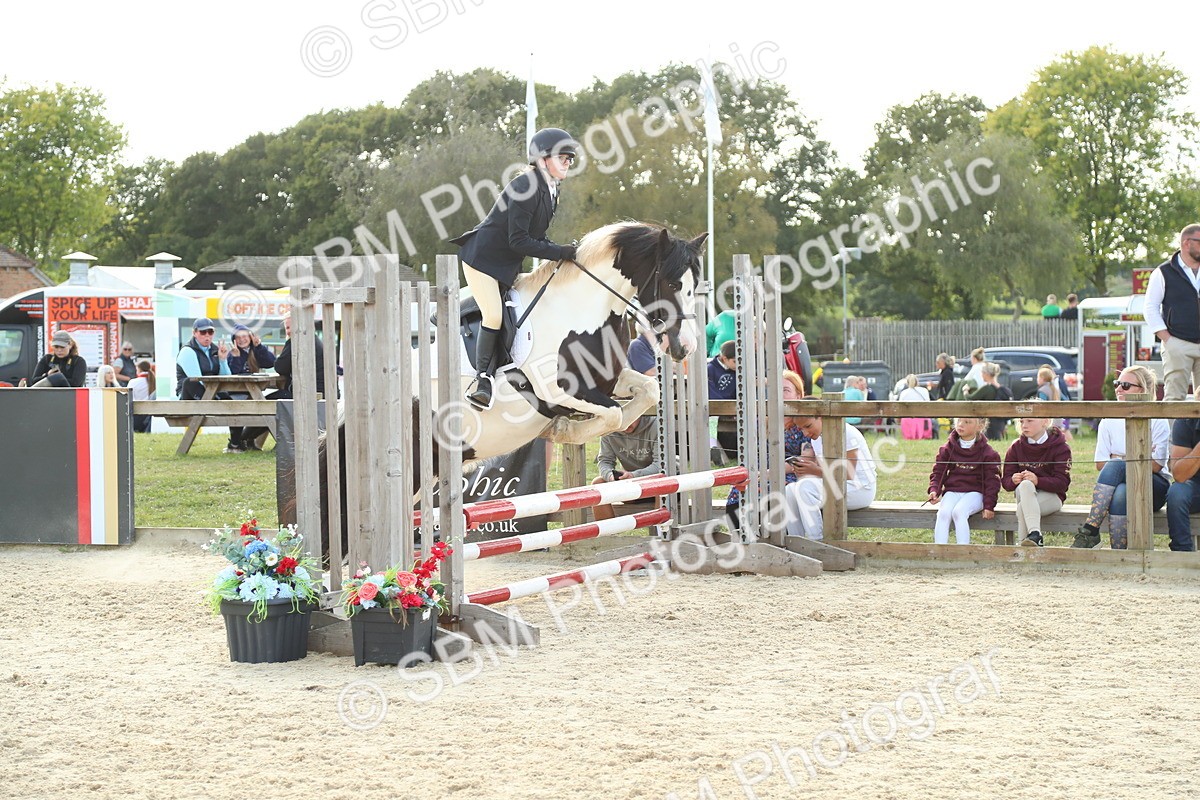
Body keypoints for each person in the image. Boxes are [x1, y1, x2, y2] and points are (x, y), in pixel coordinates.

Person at [450, 127, 579, 409]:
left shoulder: (551, 191)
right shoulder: (524, 186)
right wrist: (559, 252)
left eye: (570, 158)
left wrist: (564, 252)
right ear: (542, 159)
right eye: (562, 157)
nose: (568, 162)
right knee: (494, 315)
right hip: (483, 261)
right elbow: (519, 240)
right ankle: (482, 381)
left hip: (506, 264)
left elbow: (537, 237)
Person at [1073, 366, 1170, 550]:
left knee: (1116, 464)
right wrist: (1138, 455)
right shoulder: (1108, 420)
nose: (1118, 389)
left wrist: (1119, 458)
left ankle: (1091, 528)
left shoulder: (1158, 419)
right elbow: (1100, 464)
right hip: (1121, 486)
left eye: (1125, 385)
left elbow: (1156, 465)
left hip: (1154, 486)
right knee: (1120, 492)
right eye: (1117, 383)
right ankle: (1119, 553)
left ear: (1142, 389)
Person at [726, 370, 808, 528]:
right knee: (739, 489)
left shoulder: (804, 423)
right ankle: (740, 536)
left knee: (773, 489)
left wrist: (770, 472)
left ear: (798, 395)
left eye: (786, 390)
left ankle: (771, 534)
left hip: (790, 473)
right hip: (759, 471)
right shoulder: (760, 421)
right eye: (776, 390)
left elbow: (805, 458)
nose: (780, 394)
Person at [783, 412, 877, 540]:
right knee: (790, 490)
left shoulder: (847, 432)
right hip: (837, 487)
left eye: (808, 426)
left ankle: (817, 541)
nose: (805, 433)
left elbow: (848, 474)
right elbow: (827, 474)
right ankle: (795, 541)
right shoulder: (816, 439)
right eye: (801, 429)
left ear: (821, 417)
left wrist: (814, 471)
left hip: (860, 489)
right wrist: (805, 470)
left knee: (805, 487)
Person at [240, 314, 326, 451]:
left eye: (290, 327)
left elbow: (280, 367)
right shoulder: (314, 340)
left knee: (268, 403)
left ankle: (243, 438)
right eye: (286, 328)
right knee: (275, 400)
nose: (288, 331)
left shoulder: (297, 342)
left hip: (310, 395)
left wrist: (288, 344)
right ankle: (249, 439)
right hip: (321, 393)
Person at [1145, 224, 1200, 400]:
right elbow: (1150, 307)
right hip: (1177, 342)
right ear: (1186, 243)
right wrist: (1168, 340)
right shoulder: (1163, 272)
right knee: (1174, 399)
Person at [1001, 414, 1072, 547]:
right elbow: (1005, 482)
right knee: (1025, 484)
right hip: (1024, 494)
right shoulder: (1016, 447)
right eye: (1021, 421)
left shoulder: (1061, 447)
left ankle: (1023, 546)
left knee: (1022, 508)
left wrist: (1038, 481)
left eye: (1029, 421)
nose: (1024, 425)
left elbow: (1062, 483)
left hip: (1052, 497)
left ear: (1045, 421)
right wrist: (1013, 480)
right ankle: (1035, 535)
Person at [928, 417, 1001, 545]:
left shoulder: (989, 453)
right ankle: (939, 551)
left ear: (980, 426)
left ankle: (963, 551)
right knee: (943, 513)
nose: (961, 424)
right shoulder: (947, 448)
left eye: (967, 422)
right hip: (952, 491)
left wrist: (989, 505)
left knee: (959, 512)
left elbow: (992, 481)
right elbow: (939, 471)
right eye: (959, 421)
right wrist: (934, 490)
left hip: (976, 493)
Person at [590, 415, 661, 521]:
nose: (626, 424)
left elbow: (661, 465)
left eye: (630, 417)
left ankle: (661, 528)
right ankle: (608, 530)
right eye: (622, 419)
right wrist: (611, 476)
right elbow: (605, 461)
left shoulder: (656, 425)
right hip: (631, 485)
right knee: (597, 484)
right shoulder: (609, 430)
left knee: (662, 481)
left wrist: (633, 476)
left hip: (658, 485)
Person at [225, 325, 277, 451]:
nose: (242, 340)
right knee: (238, 405)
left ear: (250, 337)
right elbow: (232, 374)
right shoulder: (232, 354)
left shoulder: (256, 350)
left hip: (253, 392)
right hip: (236, 392)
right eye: (238, 337)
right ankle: (235, 443)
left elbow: (271, 362)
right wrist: (237, 357)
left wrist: (259, 346)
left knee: (267, 406)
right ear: (234, 340)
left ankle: (248, 440)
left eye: (244, 336)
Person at [1166, 413, 1200, 552]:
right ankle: (1182, 554)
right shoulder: (1186, 420)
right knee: (1177, 493)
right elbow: (1179, 475)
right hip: (1195, 485)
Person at [708, 340, 739, 461]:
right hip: (716, 407)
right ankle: (712, 446)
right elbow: (711, 392)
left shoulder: (737, 371)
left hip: (735, 407)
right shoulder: (710, 369)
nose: (738, 365)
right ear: (725, 358)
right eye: (735, 361)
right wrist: (725, 407)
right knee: (712, 419)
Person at [897, 374, 933, 440]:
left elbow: (900, 407)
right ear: (917, 382)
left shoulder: (904, 393)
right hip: (923, 418)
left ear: (907, 383)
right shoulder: (924, 391)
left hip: (907, 419)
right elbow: (928, 405)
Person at [128, 360, 156, 433]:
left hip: (137, 414)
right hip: (150, 414)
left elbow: (129, 397)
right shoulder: (154, 381)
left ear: (139, 369)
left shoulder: (133, 382)